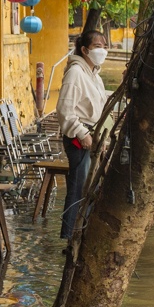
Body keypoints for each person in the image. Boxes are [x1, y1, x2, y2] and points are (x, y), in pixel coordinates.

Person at [52, 30, 109, 240]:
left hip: (94, 137)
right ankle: (69, 237)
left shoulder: (94, 75)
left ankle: (83, 233)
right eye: (97, 46)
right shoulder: (75, 72)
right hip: (80, 138)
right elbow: (65, 110)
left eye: (104, 46)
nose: (102, 51)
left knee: (90, 188)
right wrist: (82, 134)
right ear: (84, 50)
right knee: (78, 188)